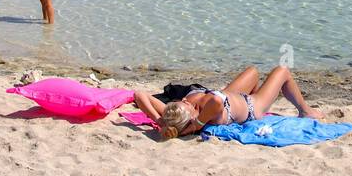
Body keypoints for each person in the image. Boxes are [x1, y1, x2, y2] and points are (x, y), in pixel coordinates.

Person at [131, 65, 324, 140]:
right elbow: (216, 101)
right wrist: (198, 124)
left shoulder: (173, 116)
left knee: (253, 72)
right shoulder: (203, 114)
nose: (184, 100)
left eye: (182, 101)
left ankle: (259, 99)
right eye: (186, 104)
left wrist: (159, 120)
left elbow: (140, 95)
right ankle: (305, 110)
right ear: (191, 117)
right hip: (252, 106)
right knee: (282, 71)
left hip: (231, 96)